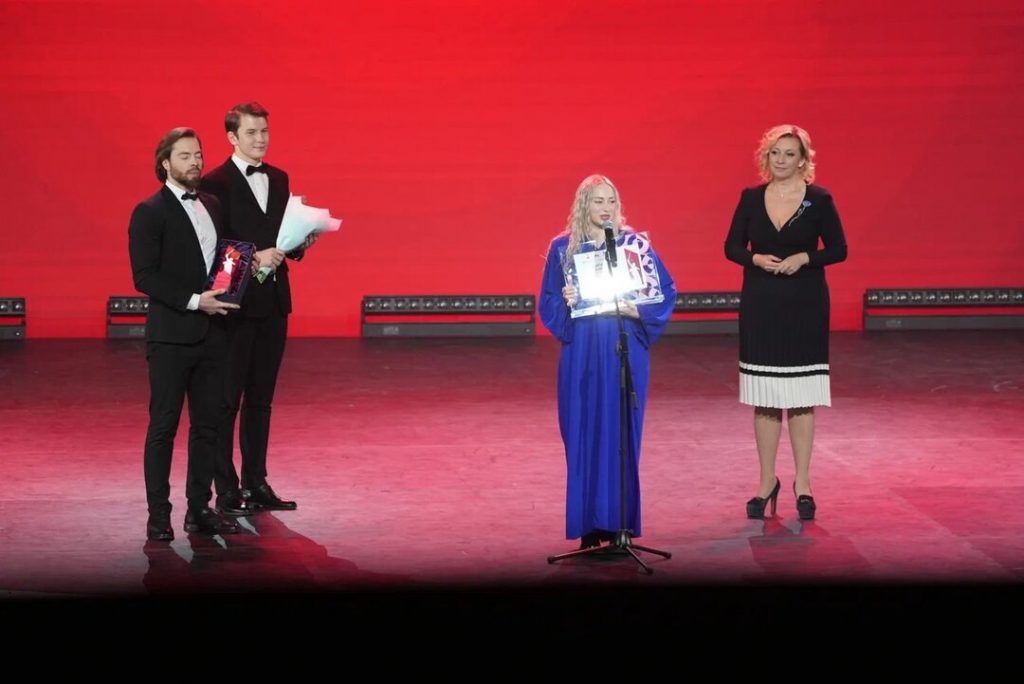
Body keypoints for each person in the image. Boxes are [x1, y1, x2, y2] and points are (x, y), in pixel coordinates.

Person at [539, 175, 676, 549]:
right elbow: (548, 301)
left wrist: (637, 310)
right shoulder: (563, 248)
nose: (606, 208)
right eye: (598, 201)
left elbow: (663, 291)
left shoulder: (633, 245)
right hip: (583, 347)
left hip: (623, 343)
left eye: (611, 201)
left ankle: (619, 523)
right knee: (582, 428)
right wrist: (567, 298)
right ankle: (588, 524)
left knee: (621, 432)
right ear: (584, 204)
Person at [724, 124, 848, 520]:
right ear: (767, 156)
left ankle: (803, 483)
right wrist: (755, 259)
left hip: (805, 305)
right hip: (761, 304)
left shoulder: (819, 200)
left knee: (800, 397)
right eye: (775, 153)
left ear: (802, 160)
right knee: (765, 397)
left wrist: (806, 258)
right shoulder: (750, 198)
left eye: (789, 154)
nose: (780, 160)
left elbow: (839, 249)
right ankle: (767, 482)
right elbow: (731, 247)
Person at [200, 102, 316, 516]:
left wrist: (301, 242)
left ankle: (256, 482)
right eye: (251, 132)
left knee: (261, 399)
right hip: (234, 304)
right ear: (232, 137)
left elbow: (281, 237)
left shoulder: (280, 178)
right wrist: (252, 258)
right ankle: (226, 489)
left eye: (264, 131)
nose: (260, 139)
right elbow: (212, 247)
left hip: (274, 302)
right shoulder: (214, 183)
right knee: (226, 400)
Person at [128, 127, 242, 540]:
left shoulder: (211, 203)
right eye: (185, 156)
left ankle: (200, 510)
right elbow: (144, 276)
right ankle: (159, 516)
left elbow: (225, 258)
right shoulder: (149, 211)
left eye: (198, 155)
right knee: (163, 428)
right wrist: (196, 301)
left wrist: (236, 278)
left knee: (208, 427)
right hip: (171, 338)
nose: (195, 162)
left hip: (215, 333)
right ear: (165, 164)